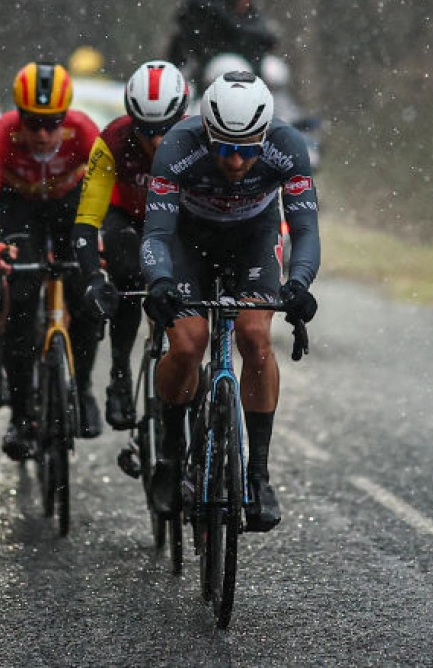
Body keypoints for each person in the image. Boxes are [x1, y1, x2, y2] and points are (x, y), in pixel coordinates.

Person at [140, 70, 320, 533]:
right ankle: (169, 458)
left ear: (263, 137)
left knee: (256, 337)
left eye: (246, 150)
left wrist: (298, 284)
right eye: (223, 148)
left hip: (253, 238)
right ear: (206, 131)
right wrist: (159, 281)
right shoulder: (178, 146)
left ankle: (257, 476)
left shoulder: (288, 145)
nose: (235, 161)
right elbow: (156, 234)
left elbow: (304, 232)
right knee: (186, 343)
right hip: (188, 241)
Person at [0, 62, 100, 461]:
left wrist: (100, 248)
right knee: (22, 299)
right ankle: (22, 416)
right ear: (18, 117)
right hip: (19, 207)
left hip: (68, 206)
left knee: (87, 298)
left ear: (66, 117)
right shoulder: (0, 134)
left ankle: (82, 388)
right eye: (33, 123)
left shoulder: (84, 132)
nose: (43, 134)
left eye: (52, 123)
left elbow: (104, 200)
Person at [72, 60, 190, 430]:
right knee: (126, 266)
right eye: (146, 130)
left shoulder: (199, 139)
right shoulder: (114, 140)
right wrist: (93, 275)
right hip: (127, 218)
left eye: (165, 131)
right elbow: (88, 220)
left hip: (178, 219)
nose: (156, 142)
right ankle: (120, 374)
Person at [166, 0, 279, 85]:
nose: (246, 0)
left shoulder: (256, 29)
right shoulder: (207, 20)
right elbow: (181, 56)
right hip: (202, 92)